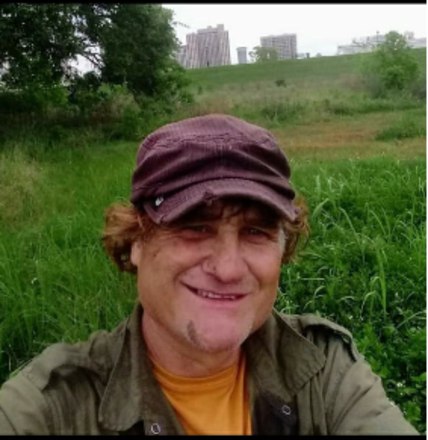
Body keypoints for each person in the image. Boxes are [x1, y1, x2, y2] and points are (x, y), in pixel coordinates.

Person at [0, 114, 418, 435]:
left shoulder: (324, 369)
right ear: (136, 241)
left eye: (255, 232)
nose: (228, 268)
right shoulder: (48, 408)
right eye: (195, 227)